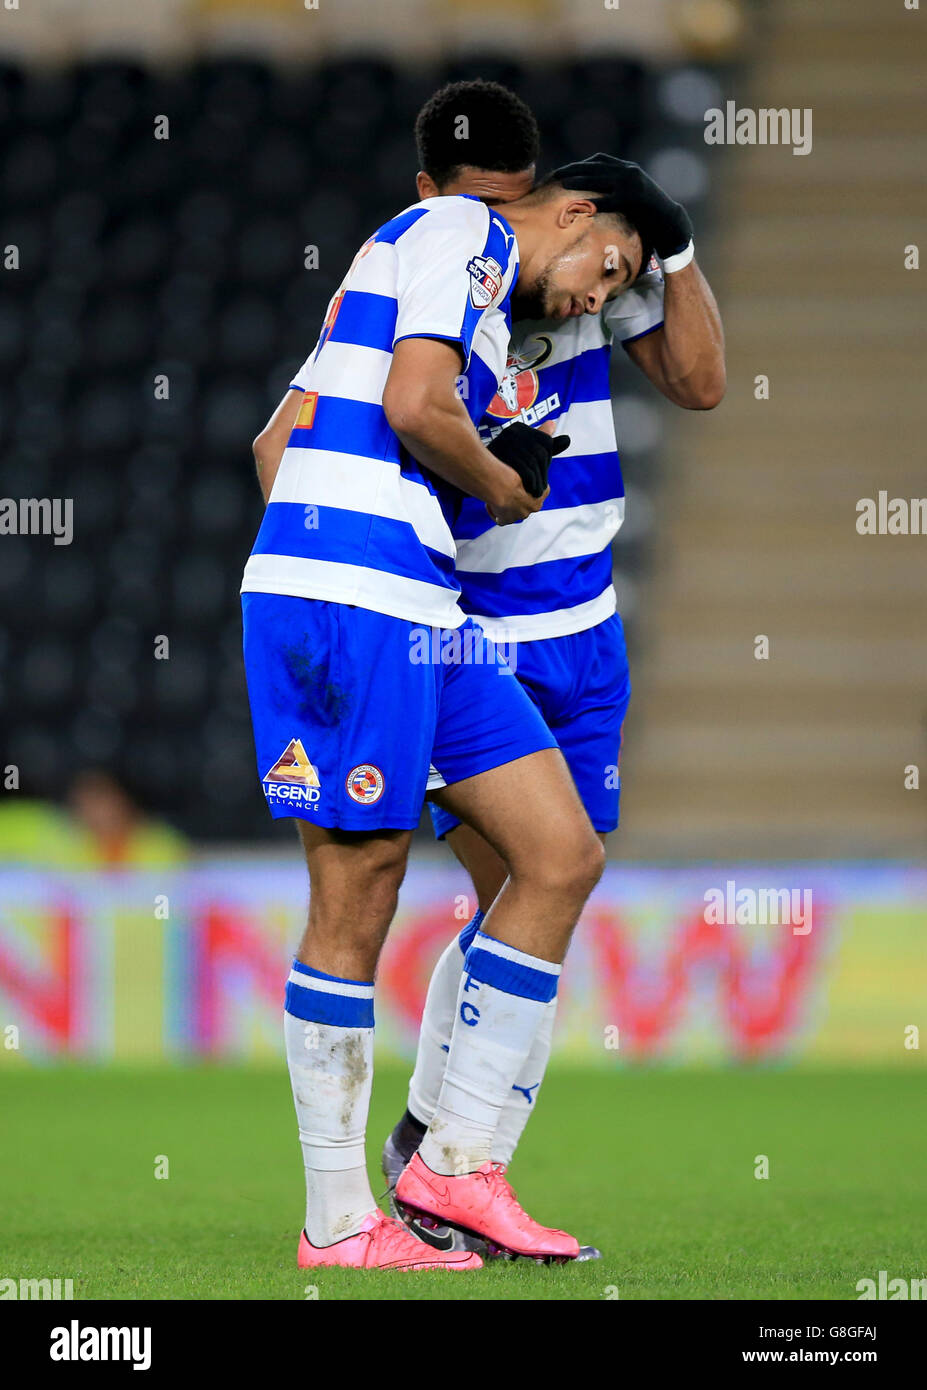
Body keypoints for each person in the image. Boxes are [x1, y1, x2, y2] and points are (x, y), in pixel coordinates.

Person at [241, 118, 647, 1269]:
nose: (595, 297)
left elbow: (275, 445)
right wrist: (494, 487)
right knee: (359, 886)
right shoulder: (464, 230)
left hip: (420, 604)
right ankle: (339, 1225)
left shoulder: (420, 267)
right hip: (355, 599)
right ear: (564, 213)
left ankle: (454, 1165)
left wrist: (403, 500)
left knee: (559, 852)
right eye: (602, 267)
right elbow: (421, 406)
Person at [376, 86, 725, 1257]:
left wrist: (665, 245)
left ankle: (430, 1137)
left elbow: (702, 382)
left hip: (591, 629)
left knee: (532, 901)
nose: (605, 283)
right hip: (472, 632)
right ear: (426, 203)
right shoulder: (427, 288)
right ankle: (451, 1161)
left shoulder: (589, 275)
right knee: (540, 879)